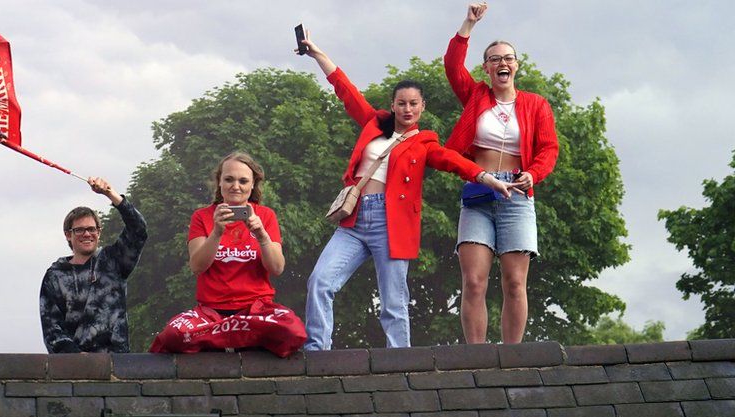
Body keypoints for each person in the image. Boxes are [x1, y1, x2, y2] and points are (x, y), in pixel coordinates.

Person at [298, 33, 514, 350]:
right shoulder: (375, 123)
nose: (407, 108)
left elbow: (453, 161)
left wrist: (488, 178)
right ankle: (316, 349)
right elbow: (344, 89)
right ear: (393, 106)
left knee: (394, 301)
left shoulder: (424, 142)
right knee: (320, 281)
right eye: (402, 103)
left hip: (391, 222)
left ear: (422, 107)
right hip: (355, 220)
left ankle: (400, 361)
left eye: (414, 103)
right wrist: (317, 53)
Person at [445, 2, 559, 344]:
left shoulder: (536, 104)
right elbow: (452, 66)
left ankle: (512, 358)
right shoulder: (476, 95)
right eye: (495, 59)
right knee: (475, 282)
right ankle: (477, 358)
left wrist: (534, 175)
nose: (502, 63)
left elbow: (549, 149)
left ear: (517, 65)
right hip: (479, 193)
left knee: (513, 282)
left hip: (518, 194)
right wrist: (469, 23)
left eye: (508, 58)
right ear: (486, 68)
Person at [149, 152, 306, 357]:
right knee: (173, 335)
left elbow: (277, 268)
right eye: (229, 179)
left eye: (243, 181)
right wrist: (216, 232)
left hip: (256, 310)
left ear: (252, 185)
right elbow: (197, 266)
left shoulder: (265, 215)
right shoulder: (202, 216)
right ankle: (237, 336)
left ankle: (223, 337)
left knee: (293, 331)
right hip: (211, 313)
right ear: (219, 183)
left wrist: (262, 236)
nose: (236, 186)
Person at [39, 177, 148, 353]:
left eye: (92, 229)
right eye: (79, 230)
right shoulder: (55, 275)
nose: (87, 234)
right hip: (75, 368)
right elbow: (52, 329)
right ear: (68, 235)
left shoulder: (113, 261)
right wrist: (79, 360)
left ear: (99, 232)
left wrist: (110, 194)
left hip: (117, 363)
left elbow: (139, 230)